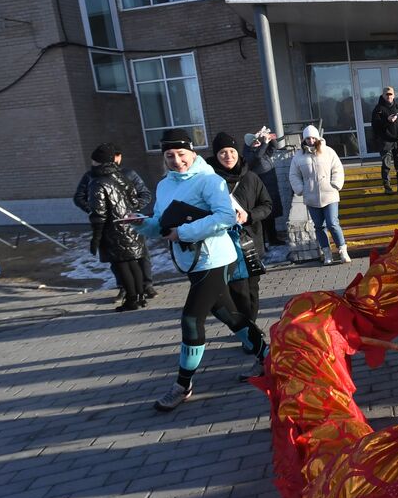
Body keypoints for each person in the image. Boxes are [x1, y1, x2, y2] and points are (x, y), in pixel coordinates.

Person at [139, 130, 268, 412]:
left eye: (181, 154)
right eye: (169, 156)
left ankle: (183, 385)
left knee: (191, 319)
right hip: (192, 263)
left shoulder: (209, 180)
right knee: (231, 316)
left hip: (216, 259)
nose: (176, 161)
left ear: (193, 153)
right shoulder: (164, 186)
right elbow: (162, 223)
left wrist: (184, 232)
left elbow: (224, 217)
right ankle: (269, 357)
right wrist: (142, 224)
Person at [208, 132, 273, 374]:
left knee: (252, 290)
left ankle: (251, 329)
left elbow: (267, 205)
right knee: (238, 292)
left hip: (250, 243)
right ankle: (250, 335)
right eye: (223, 152)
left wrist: (249, 216)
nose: (228, 156)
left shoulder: (252, 178)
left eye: (232, 151)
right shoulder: (208, 181)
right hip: (223, 246)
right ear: (215, 155)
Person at [76, 144, 158, 302]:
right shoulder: (105, 177)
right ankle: (134, 294)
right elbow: (80, 198)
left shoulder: (112, 178)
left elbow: (142, 195)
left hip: (121, 226)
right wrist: (124, 211)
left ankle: (138, 294)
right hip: (121, 225)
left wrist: (128, 211)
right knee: (126, 262)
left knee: (131, 261)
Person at [289, 125, 350, 265]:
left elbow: (337, 168)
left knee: (332, 223)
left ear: (317, 137)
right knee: (319, 226)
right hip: (311, 197)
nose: (310, 140)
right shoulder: (298, 157)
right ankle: (327, 253)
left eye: (313, 137)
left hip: (330, 195)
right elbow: (294, 175)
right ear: (304, 140)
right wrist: (301, 189)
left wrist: (335, 184)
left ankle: (342, 251)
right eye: (307, 138)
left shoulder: (328, 152)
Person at [245, 128, 286, 246]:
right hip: (262, 188)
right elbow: (257, 157)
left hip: (271, 187)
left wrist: (268, 138)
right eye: (254, 141)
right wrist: (264, 143)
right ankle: (262, 243)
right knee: (263, 218)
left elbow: (273, 147)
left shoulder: (260, 150)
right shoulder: (249, 154)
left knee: (271, 215)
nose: (257, 142)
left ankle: (273, 239)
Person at [370, 87, 398, 194]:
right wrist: (387, 121)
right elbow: (375, 126)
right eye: (387, 94)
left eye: (390, 94)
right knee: (386, 164)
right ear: (383, 95)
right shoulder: (378, 109)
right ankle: (387, 187)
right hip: (385, 141)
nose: (389, 96)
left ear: (394, 95)